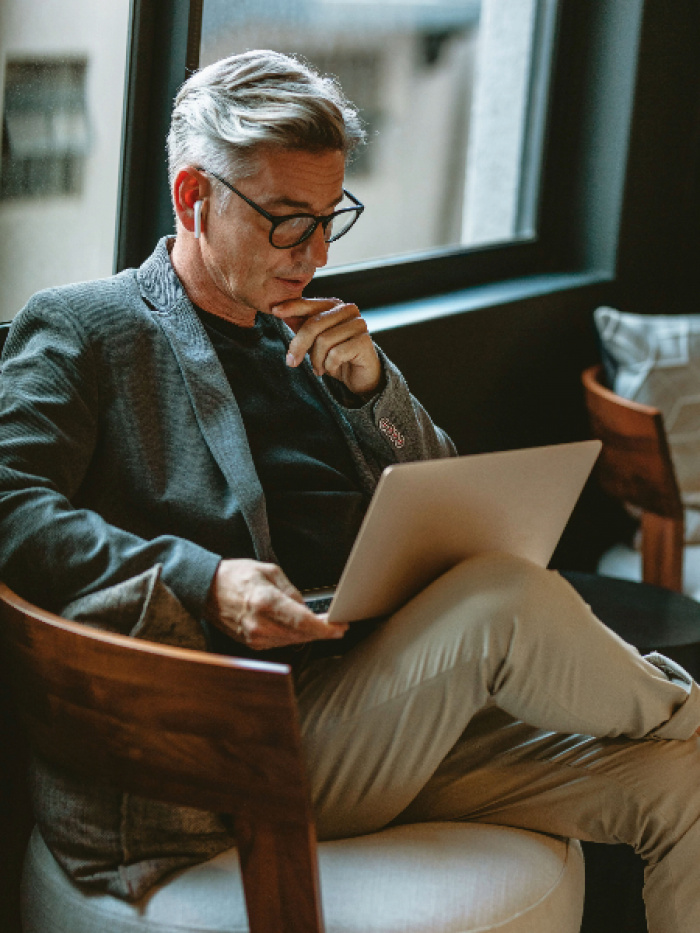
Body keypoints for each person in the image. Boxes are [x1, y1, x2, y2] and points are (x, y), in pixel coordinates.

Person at [0, 50, 698, 931]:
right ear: (192, 198)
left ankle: (681, 728)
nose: (317, 254)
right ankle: (679, 706)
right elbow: (11, 506)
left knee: (685, 778)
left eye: (332, 220)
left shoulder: (317, 335)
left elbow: (455, 504)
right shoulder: (84, 329)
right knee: (501, 602)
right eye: (289, 223)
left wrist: (375, 394)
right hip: (241, 738)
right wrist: (205, 581)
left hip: (385, 705)